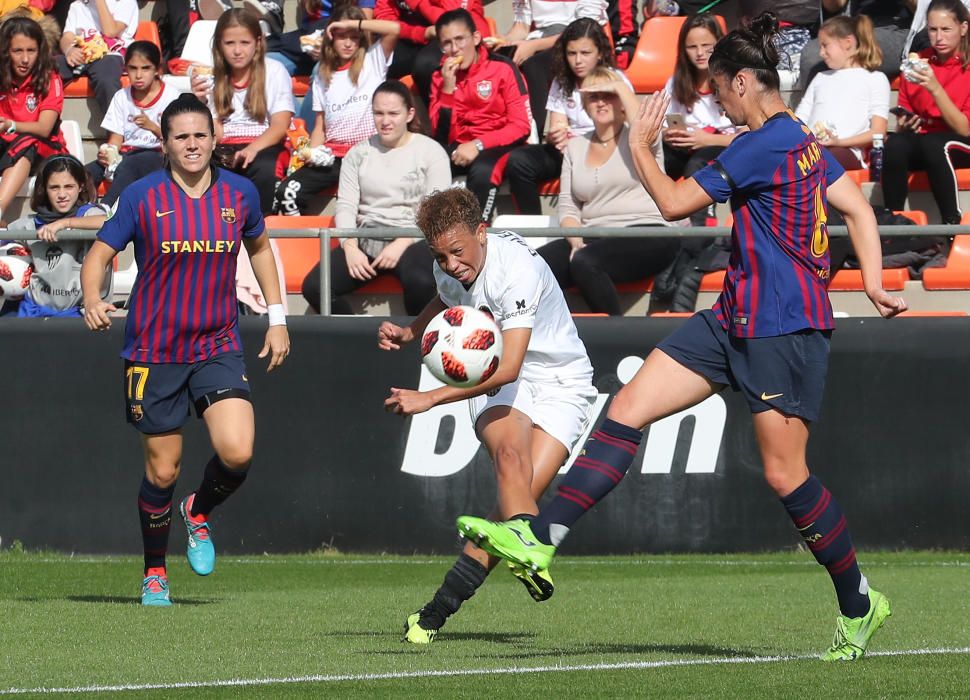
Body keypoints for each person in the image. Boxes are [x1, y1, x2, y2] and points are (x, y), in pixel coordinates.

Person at [457, 12, 908, 662]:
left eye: (719, 86)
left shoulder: (762, 144)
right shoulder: (800, 138)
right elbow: (858, 208)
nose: (715, 97)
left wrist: (639, 146)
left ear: (745, 82)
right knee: (626, 408)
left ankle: (860, 601)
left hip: (784, 324)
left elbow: (670, 204)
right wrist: (868, 280)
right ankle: (541, 537)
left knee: (786, 477)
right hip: (736, 316)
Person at [79, 93, 290, 607]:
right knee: (162, 471)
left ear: (215, 139)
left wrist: (277, 318)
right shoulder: (141, 196)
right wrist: (91, 297)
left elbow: (260, 248)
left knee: (237, 452)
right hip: (154, 351)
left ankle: (197, 512)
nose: (192, 144)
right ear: (165, 144)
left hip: (218, 343)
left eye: (200, 135)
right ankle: (155, 572)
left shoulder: (239, 193)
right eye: (181, 136)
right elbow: (100, 254)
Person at [378, 186, 597, 644]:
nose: (451, 264)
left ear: (482, 231)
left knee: (508, 519)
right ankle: (532, 553)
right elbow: (444, 295)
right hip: (498, 370)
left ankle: (435, 612)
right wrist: (409, 331)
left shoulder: (514, 270)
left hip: (561, 379)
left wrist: (431, 398)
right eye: (440, 256)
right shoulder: (452, 263)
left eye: (457, 251)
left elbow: (514, 366)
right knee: (510, 462)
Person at [537, 66, 679, 315]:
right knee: (531, 267)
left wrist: (619, 86)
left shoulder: (639, 139)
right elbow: (569, 208)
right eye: (594, 97)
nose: (601, 102)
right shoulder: (575, 147)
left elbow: (644, 127)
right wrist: (575, 241)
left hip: (648, 231)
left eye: (608, 95)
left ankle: (615, 340)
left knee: (585, 262)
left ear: (622, 100)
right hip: (593, 235)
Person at [301, 80, 449, 314]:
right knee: (315, 287)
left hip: (416, 236)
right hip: (367, 234)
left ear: (409, 114)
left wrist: (402, 242)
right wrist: (349, 246)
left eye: (393, 113)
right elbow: (347, 206)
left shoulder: (431, 151)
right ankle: (356, 345)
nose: (385, 121)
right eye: (378, 113)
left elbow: (437, 210)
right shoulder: (358, 153)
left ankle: (413, 343)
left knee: (421, 281)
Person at [274, 7, 396, 216]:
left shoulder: (373, 60)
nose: (348, 43)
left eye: (353, 37)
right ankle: (308, 248)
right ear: (331, 38)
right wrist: (311, 153)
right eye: (341, 37)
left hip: (370, 152)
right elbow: (320, 127)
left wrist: (351, 24)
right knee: (287, 193)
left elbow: (394, 29)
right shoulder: (323, 74)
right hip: (334, 157)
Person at [504, 17, 629, 215]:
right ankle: (531, 225)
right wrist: (557, 136)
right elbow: (558, 125)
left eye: (585, 53)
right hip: (569, 150)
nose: (578, 60)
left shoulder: (616, 79)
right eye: (572, 53)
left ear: (600, 53)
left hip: (606, 148)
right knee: (519, 161)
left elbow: (626, 125)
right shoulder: (561, 81)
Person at [430, 8, 532, 220]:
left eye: (460, 40)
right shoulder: (440, 77)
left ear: (476, 38)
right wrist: (448, 90)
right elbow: (441, 137)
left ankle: (477, 235)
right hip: (458, 146)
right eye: (446, 43)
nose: (454, 49)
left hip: (499, 144)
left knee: (484, 169)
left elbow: (521, 126)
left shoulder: (502, 68)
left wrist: (478, 145)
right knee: (426, 162)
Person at [192, 9, 295, 215]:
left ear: (257, 43)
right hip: (225, 146)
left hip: (264, 144)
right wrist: (200, 103)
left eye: (244, 43)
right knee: (195, 163)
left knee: (265, 167)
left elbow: (280, 126)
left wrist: (252, 149)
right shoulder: (212, 78)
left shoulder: (274, 71)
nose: (237, 51)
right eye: (229, 43)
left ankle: (263, 229)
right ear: (219, 45)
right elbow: (217, 134)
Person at [882, 0, 970, 224]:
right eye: (932, 29)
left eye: (946, 29)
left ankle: (952, 225)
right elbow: (905, 119)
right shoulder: (918, 64)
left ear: (963, 28)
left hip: (958, 143)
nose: (939, 37)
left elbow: (964, 129)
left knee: (934, 144)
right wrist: (906, 123)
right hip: (927, 142)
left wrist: (934, 88)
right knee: (895, 144)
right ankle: (894, 224)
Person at [7, 155, 107, 317]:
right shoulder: (31, 223)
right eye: (54, 187)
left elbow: (110, 222)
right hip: (33, 309)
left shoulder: (89, 214)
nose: (62, 194)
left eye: (69, 186)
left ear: (81, 186)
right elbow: (7, 234)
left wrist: (65, 223)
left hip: (78, 312)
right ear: (44, 189)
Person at [663, 12, 738, 227]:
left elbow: (750, 136)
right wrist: (670, 135)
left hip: (722, 147)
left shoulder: (733, 81)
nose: (699, 53)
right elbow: (662, 125)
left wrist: (705, 140)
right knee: (657, 159)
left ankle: (701, 232)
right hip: (687, 146)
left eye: (707, 46)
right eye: (692, 47)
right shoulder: (677, 81)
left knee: (699, 164)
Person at [492, 0, 607, 137]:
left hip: (574, 43)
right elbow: (521, 28)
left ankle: (533, 134)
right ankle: (496, 131)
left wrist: (534, 46)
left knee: (535, 65)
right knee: (498, 59)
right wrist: (505, 40)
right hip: (537, 38)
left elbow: (586, 30)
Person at [88, 40, 181, 207]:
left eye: (145, 68)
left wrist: (153, 127)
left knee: (132, 163)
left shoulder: (172, 97)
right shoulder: (121, 96)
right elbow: (116, 139)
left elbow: (178, 140)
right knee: (86, 172)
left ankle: (106, 208)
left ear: (157, 70)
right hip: (126, 154)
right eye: (133, 68)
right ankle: (78, 211)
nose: (138, 75)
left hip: (158, 155)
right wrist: (108, 153)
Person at [795, 15, 890, 172]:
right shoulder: (820, 78)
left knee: (819, 162)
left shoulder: (875, 79)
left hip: (846, 152)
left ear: (847, 43)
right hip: (810, 150)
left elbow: (878, 132)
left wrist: (838, 142)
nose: (821, 53)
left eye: (825, 46)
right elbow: (799, 120)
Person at [0, 16, 68, 223]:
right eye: (17, 51)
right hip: (6, 147)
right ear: (5, 52)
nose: (25, 59)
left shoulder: (50, 78)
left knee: (27, 142)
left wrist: (10, 125)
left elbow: (44, 128)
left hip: (45, 150)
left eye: (31, 51)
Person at [375, 0, 489, 105]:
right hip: (407, 37)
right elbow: (386, 19)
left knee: (425, 65)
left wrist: (419, 2)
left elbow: (453, 19)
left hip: (443, 39)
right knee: (375, 66)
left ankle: (439, 118)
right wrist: (421, 33)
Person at [798, 1, 917, 90]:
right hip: (858, 23)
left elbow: (925, 8)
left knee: (824, 59)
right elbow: (835, 5)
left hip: (904, 27)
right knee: (812, 56)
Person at [57, 0, 138, 112]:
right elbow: (67, 37)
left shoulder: (126, 2)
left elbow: (110, 31)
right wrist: (69, 50)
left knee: (106, 80)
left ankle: (116, 126)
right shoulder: (77, 5)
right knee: (47, 68)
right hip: (82, 54)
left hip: (110, 54)